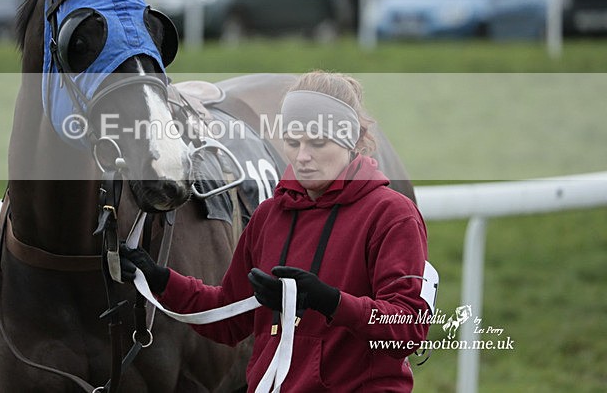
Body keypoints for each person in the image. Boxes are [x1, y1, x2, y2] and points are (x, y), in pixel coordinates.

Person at [121, 70, 431, 392]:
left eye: (318, 142)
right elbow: (230, 319)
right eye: (293, 142)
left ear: (351, 141)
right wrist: (160, 280)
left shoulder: (393, 215)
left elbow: (407, 328)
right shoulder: (270, 215)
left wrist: (329, 301)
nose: (302, 157)